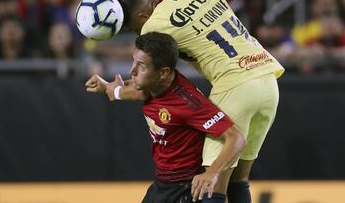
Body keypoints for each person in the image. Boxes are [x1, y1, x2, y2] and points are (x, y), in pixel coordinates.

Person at [91, 0, 297, 202]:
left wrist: (116, 90)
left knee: (210, 181)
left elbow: (148, 81)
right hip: (267, 79)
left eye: (133, 27)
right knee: (239, 179)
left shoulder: (153, 27)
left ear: (142, 16)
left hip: (233, 85)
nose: (138, 33)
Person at [86, 32, 246, 203]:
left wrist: (211, 173)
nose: (132, 71)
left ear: (163, 73)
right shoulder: (152, 85)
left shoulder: (189, 103)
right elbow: (136, 91)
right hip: (163, 184)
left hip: (184, 189)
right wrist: (108, 88)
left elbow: (236, 138)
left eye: (141, 66)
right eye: (134, 61)